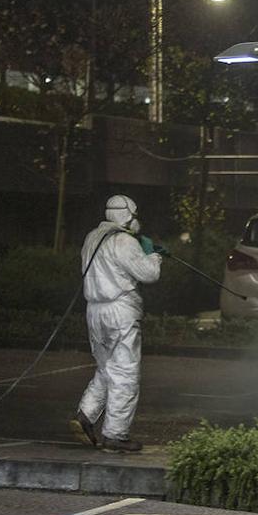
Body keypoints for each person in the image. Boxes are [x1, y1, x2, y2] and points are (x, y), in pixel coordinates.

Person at [69, 194, 161, 453]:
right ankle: (115, 435)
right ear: (128, 216)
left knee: (106, 367)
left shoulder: (92, 238)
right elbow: (149, 274)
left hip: (94, 311)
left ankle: (85, 415)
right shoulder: (123, 241)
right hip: (120, 310)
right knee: (125, 372)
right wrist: (153, 255)